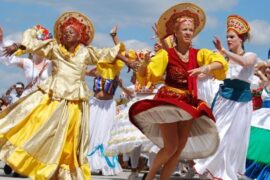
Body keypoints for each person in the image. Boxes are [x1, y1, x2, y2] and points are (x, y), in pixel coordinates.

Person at [0, 11, 134, 179]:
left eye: (72, 31)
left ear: (80, 36)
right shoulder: (54, 48)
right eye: (65, 31)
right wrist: (18, 45)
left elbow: (108, 53)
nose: (67, 32)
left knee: (69, 139)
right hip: (53, 98)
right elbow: (34, 46)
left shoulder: (86, 53)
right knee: (38, 125)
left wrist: (128, 60)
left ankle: (60, 169)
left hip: (75, 103)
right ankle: (27, 160)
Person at [128, 3, 228, 180]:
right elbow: (151, 74)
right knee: (170, 147)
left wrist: (205, 68)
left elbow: (220, 63)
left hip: (188, 103)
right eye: (185, 29)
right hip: (169, 102)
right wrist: (143, 65)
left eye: (191, 29)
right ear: (177, 33)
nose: (189, 32)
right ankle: (150, 177)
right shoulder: (166, 54)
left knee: (179, 150)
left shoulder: (199, 54)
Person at [195, 15, 258, 180]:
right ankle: (212, 172)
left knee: (235, 142)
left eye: (232, 37)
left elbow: (245, 63)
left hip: (242, 105)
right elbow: (206, 73)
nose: (229, 40)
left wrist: (224, 51)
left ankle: (225, 174)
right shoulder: (223, 58)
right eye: (227, 37)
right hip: (224, 101)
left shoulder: (250, 55)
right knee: (218, 136)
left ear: (241, 39)